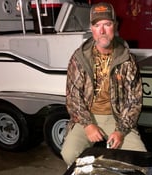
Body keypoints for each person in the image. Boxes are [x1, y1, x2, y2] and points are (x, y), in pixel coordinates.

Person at [61, 2, 146, 166]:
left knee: (139, 159)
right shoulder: (79, 57)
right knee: (69, 153)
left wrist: (121, 131)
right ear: (91, 29)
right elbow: (73, 97)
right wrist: (88, 125)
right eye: (97, 25)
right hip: (87, 116)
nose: (102, 31)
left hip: (117, 118)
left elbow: (134, 101)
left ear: (115, 26)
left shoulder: (127, 59)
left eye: (107, 24)